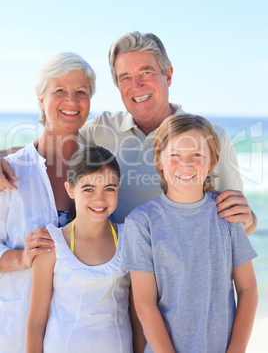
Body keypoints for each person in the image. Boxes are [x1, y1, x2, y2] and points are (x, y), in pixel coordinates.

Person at [0, 31, 256, 234]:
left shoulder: (211, 138)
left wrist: (249, 218)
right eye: (125, 78)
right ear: (117, 86)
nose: (137, 86)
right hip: (125, 282)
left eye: (146, 72)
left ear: (168, 75)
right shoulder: (100, 131)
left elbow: (240, 223)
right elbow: (53, 147)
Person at [120, 114, 258, 353]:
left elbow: (248, 290)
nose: (186, 164)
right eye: (175, 155)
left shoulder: (227, 215)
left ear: (212, 162)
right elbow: (144, 304)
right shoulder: (142, 223)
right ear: (160, 160)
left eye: (196, 155)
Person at [0, 52, 96, 352]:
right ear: (41, 99)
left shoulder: (100, 171)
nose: (72, 100)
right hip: (16, 332)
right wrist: (21, 258)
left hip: (82, 335)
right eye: (60, 91)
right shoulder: (10, 171)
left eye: (81, 92)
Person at [26, 146, 144, 353]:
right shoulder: (52, 244)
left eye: (109, 188)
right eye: (88, 189)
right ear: (70, 190)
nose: (99, 199)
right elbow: (36, 324)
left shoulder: (130, 240)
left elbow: (138, 318)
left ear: (119, 187)